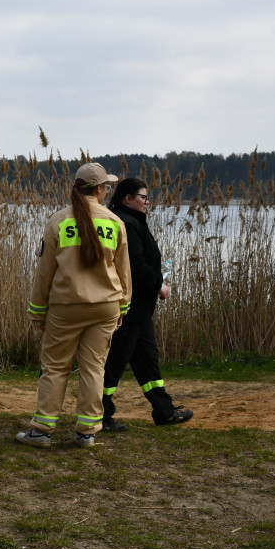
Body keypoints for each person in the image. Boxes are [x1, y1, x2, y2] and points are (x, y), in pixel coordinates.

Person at [17, 162, 131, 449]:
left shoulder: (58, 221)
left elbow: (45, 272)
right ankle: (87, 432)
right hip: (105, 306)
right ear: (101, 189)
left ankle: (42, 429)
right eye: (107, 186)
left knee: (55, 367)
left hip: (66, 306)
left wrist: (37, 311)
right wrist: (123, 307)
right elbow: (123, 271)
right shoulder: (115, 222)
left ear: (75, 188)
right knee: (94, 368)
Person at [101, 178, 193, 430]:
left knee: (147, 361)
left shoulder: (131, 221)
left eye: (148, 198)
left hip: (139, 310)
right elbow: (135, 268)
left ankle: (163, 410)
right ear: (127, 198)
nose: (147, 202)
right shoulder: (126, 224)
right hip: (129, 308)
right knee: (115, 363)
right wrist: (159, 285)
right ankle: (100, 415)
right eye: (143, 197)